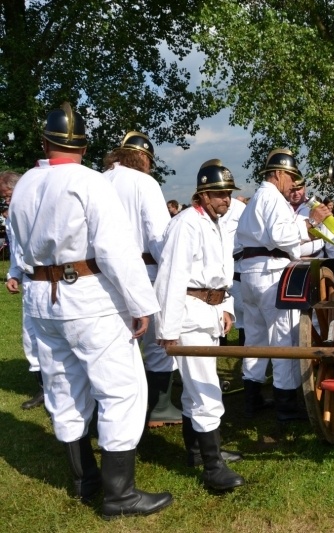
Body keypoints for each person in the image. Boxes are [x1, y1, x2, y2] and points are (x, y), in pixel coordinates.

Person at [7, 102, 172, 519]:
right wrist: (140, 305)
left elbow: (18, 241)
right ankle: (120, 496)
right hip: (86, 297)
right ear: (83, 144)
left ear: (46, 141)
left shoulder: (25, 182)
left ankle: (86, 480)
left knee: (64, 386)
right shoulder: (89, 181)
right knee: (121, 390)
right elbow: (115, 250)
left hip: (41, 297)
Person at [155, 159, 245, 492]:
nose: (227, 199)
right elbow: (170, 277)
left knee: (197, 391)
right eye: (220, 194)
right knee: (206, 391)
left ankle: (198, 451)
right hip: (189, 315)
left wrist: (227, 308)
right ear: (203, 194)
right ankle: (213, 468)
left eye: (228, 193)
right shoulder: (186, 224)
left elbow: (222, 276)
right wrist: (167, 330)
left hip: (209, 313)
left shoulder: (215, 223)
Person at [237, 148, 331, 422]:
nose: (292, 183)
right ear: (278, 173)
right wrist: (312, 222)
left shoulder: (257, 198)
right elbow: (282, 236)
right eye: (290, 176)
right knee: (282, 339)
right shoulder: (273, 199)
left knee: (255, 339)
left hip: (250, 274)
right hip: (271, 273)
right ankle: (286, 407)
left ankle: (252, 399)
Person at [102, 132, 182, 428]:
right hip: (142, 272)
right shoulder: (143, 182)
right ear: (143, 158)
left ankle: (115, 408)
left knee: (114, 343)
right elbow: (159, 235)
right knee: (158, 341)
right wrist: (173, 269)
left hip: (101, 276)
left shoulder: (99, 180)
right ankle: (160, 406)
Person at [1, 170, 45, 410]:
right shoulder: (11, 217)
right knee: (31, 337)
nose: (6, 201)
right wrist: (13, 274)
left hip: (47, 280)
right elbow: (16, 249)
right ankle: (43, 389)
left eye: (7, 195)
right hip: (28, 281)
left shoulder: (37, 210)